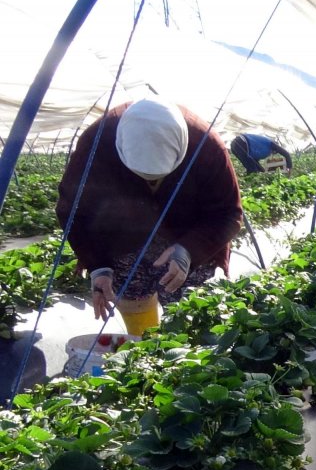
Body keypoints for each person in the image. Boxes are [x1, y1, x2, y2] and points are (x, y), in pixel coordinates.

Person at [57, 96, 243, 336]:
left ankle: (186, 354)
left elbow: (228, 213)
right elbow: (73, 211)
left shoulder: (207, 147)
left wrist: (189, 250)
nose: (150, 183)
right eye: (141, 175)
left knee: (189, 308)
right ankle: (144, 350)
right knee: (131, 291)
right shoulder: (96, 144)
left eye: (158, 177)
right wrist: (98, 266)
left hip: (188, 232)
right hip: (124, 234)